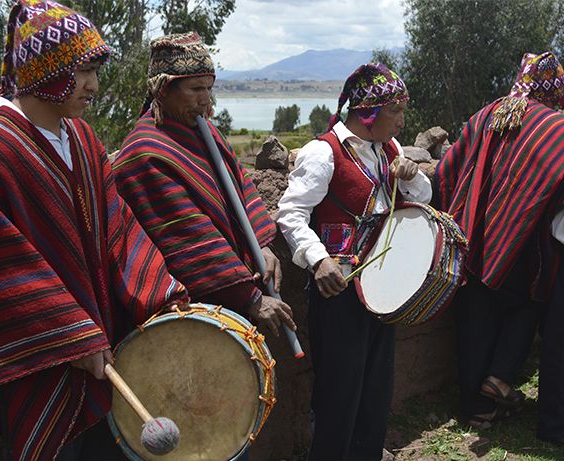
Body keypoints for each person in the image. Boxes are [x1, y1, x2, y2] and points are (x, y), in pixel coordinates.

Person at [0, 2, 188, 460]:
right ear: (46, 71)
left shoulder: (83, 140)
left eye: (96, 71)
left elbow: (117, 227)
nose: (94, 85)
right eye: (82, 71)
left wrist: (159, 290)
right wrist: (70, 334)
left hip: (102, 345)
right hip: (36, 357)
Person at [276, 63, 432, 461]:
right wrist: (317, 260)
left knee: (376, 387)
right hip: (339, 292)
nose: (402, 119)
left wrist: (411, 176)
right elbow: (291, 213)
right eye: (396, 110)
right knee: (339, 393)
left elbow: (424, 197)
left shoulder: (390, 151)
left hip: (381, 290)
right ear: (369, 113)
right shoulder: (323, 152)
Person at [113, 32, 296, 339]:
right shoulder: (144, 153)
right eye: (196, 89)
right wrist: (249, 298)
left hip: (230, 295)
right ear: (163, 89)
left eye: (209, 89)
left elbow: (240, 183)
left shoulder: (207, 133)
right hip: (184, 311)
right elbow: (188, 235)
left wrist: (260, 245)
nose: (205, 100)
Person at [435, 51, 564, 437]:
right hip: (526, 243)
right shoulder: (555, 127)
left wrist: (457, 213)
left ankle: (478, 409)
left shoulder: (486, 115)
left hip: (474, 236)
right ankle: (502, 377)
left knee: (476, 314)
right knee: (530, 305)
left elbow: (446, 170)